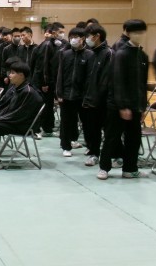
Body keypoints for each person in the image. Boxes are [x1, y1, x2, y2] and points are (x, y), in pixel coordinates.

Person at [97, 19, 149, 180]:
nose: (139, 35)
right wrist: (122, 106)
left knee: (134, 138)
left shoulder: (143, 56)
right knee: (112, 137)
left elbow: (142, 84)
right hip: (117, 106)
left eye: (141, 32)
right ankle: (104, 168)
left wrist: (142, 107)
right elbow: (117, 82)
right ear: (128, 33)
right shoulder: (121, 54)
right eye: (135, 32)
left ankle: (130, 168)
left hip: (135, 105)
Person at [56, 27, 93, 157]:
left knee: (87, 123)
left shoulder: (89, 55)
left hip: (82, 96)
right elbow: (60, 74)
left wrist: (88, 96)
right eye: (71, 37)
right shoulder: (65, 54)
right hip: (67, 95)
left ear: (83, 39)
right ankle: (66, 146)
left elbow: (90, 78)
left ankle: (90, 146)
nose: (73, 40)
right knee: (66, 122)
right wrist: (59, 93)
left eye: (75, 37)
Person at [81, 24, 113, 166]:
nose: (86, 39)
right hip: (90, 98)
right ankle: (94, 153)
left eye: (88, 36)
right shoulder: (91, 54)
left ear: (97, 36)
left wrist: (98, 98)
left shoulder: (108, 53)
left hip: (103, 101)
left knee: (109, 130)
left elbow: (105, 80)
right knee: (92, 129)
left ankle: (116, 155)